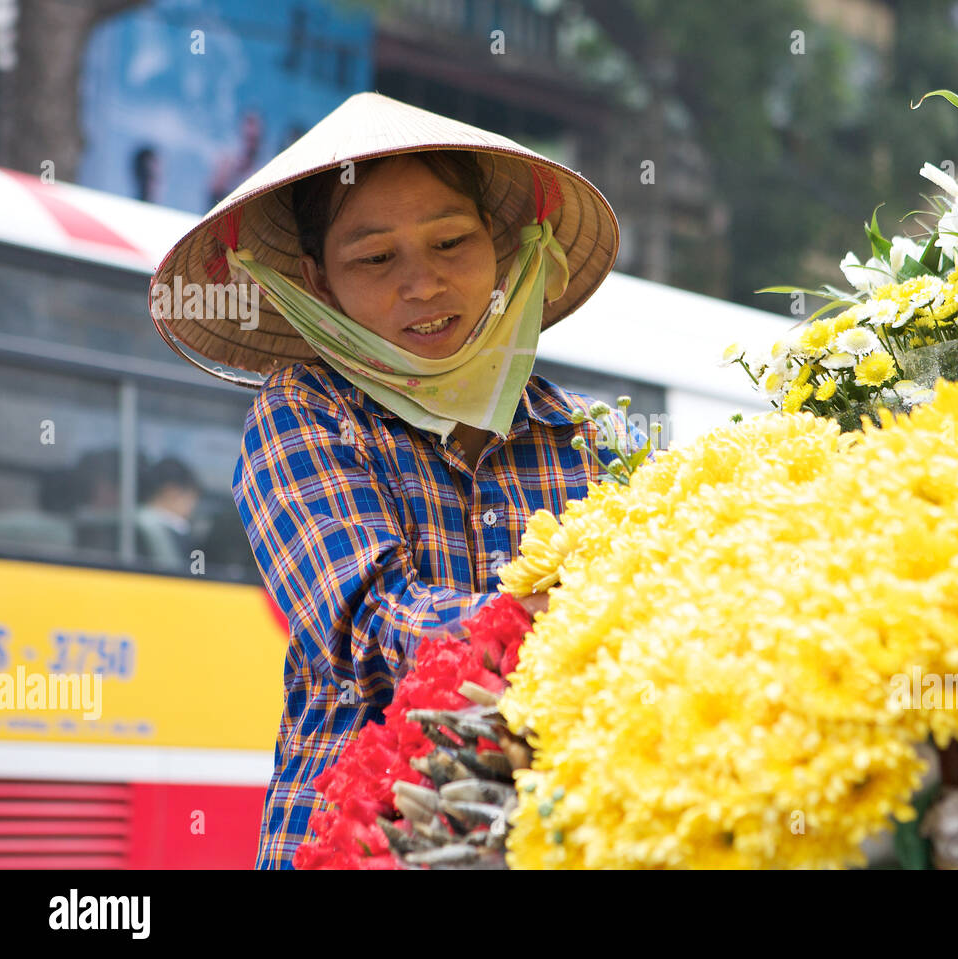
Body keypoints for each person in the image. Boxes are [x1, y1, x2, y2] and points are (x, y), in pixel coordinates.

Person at [147, 92, 647, 869]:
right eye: (376, 258)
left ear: (502, 247)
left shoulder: (592, 434)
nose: (423, 283)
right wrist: (557, 619)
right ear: (317, 281)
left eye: (451, 241)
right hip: (362, 841)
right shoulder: (306, 414)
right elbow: (373, 622)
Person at [134, 455, 202, 569]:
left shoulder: (129, 520)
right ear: (171, 492)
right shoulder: (171, 531)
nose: (193, 506)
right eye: (192, 497)